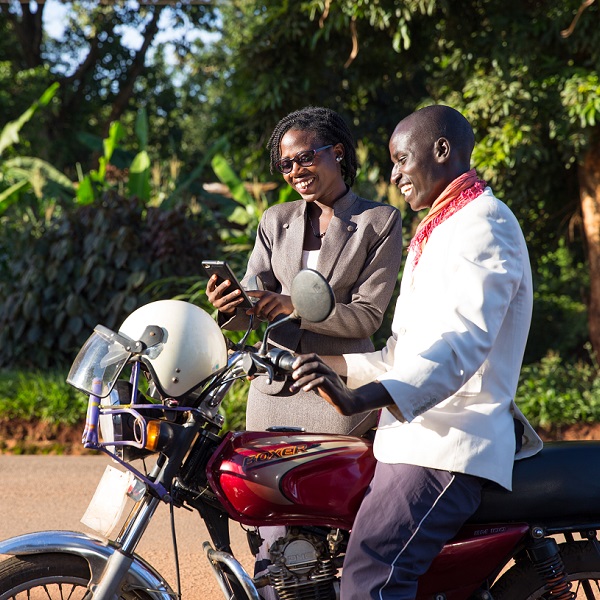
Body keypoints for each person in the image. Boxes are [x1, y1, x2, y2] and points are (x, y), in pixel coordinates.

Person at [289, 104, 544, 600]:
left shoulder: (483, 221)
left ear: (442, 150)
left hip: (447, 443)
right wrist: (331, 367)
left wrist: (362, 399)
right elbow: (402, 352)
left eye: (401, 159)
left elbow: (461, 342)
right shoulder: (442, 226)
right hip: (414, 438)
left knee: (370, 577)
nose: (394, 174)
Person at [206, 106, 403, 437]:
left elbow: (367, 316)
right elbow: (252, 302)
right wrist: (230, 305)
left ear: (337, 153)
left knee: (325, 483)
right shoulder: (275, 219)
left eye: (305, 158)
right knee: (259, 481)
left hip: (338, 387)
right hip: (274, 381)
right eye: (286, 164)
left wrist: (293, 308)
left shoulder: (379, 220)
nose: (295, 170)